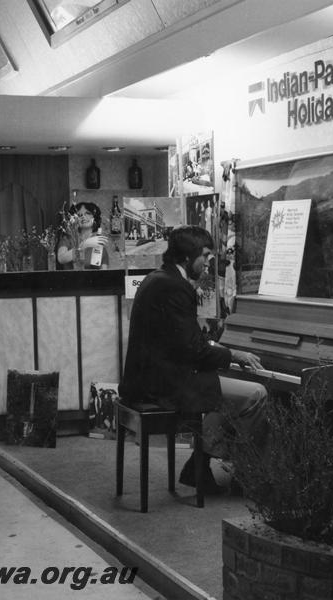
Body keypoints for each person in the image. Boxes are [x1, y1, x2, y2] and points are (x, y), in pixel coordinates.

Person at [119, 225, 268, 493]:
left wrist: (214, 351)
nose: (209, 261)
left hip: (148, 379)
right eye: (206, 255)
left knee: (218, 391)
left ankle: (199, 465)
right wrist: (234, 354)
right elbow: (193, 351)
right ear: (188, 257)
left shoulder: (158, 279)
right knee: (256, 393)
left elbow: (182, 343)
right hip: (161, 387)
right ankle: (244, 474)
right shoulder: (175, 287)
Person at [56, 202, 109, 270]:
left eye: (88, 213)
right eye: (80, 214)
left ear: (95, 218)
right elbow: (61, 259)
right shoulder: (68, 239)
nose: (83, 216)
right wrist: (85, 244)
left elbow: (104, 273)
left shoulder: (99, 244)